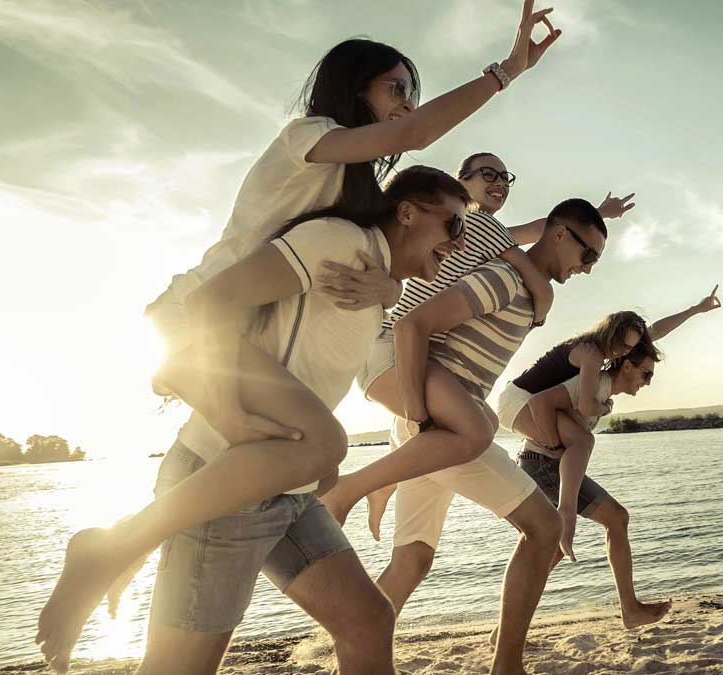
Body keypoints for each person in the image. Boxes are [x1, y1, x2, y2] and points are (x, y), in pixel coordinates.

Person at [36, 6, 562, 671]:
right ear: (354, 88)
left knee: (366, 615)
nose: (408, 106)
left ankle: (129, 541)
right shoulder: (308, 139)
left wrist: (392, 292)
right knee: (315, 444)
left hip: (234, 354)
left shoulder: (353, 206)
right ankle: (114, 546)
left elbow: (373, 250)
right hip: (195, 317)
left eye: (412, 92)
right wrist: (507, 70)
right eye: (396, 88)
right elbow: (418, 145)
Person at [319, 150, 635, 537]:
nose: (500, 182)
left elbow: (536, 232)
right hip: (396, 343)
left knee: (484, 420)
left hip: (412, 346)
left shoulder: (485, 232)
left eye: (506, 177)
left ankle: (384, 478)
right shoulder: (474, 224)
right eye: (488, 174)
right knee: (476, 430)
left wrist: (593, 217)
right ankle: (352, 488)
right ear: (462, 182)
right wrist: (542, 294)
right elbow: (530, 248)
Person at [360, 199, 608, 675]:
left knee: (411, 561)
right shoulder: (503, 279)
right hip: (443, 425)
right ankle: (507, 666)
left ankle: (356, 658)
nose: (588, 268)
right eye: (588, 255)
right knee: (545, 529)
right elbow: (416, 323)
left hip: (436, 420)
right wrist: (419, 418)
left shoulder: (527, 288)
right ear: (559, 235)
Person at [496, 287, 722, 559]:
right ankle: (566, 512)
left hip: (533, 402)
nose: (625, 351)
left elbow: (657, 331)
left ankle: (563, 509)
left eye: (630, 347)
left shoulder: (610, 349)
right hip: (517, 402)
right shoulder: (591, 353)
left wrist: (696, 309)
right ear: (611, 332)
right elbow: (586, 405)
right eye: (624, 345)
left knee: (579, 445)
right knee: (581, 442)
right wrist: (603, 409)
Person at [512, 341, 673, 629]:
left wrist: (696, 310)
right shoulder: (594, 384)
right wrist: (567, 508)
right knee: (603, 524)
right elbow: (542, 405)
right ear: (627, 365)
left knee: (594, 529)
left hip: (549, 464)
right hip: (542, 463)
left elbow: (651, 333)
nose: (647, 382)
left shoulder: (600, 390)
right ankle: (629, 609)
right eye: (646, 374)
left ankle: (630, 609)